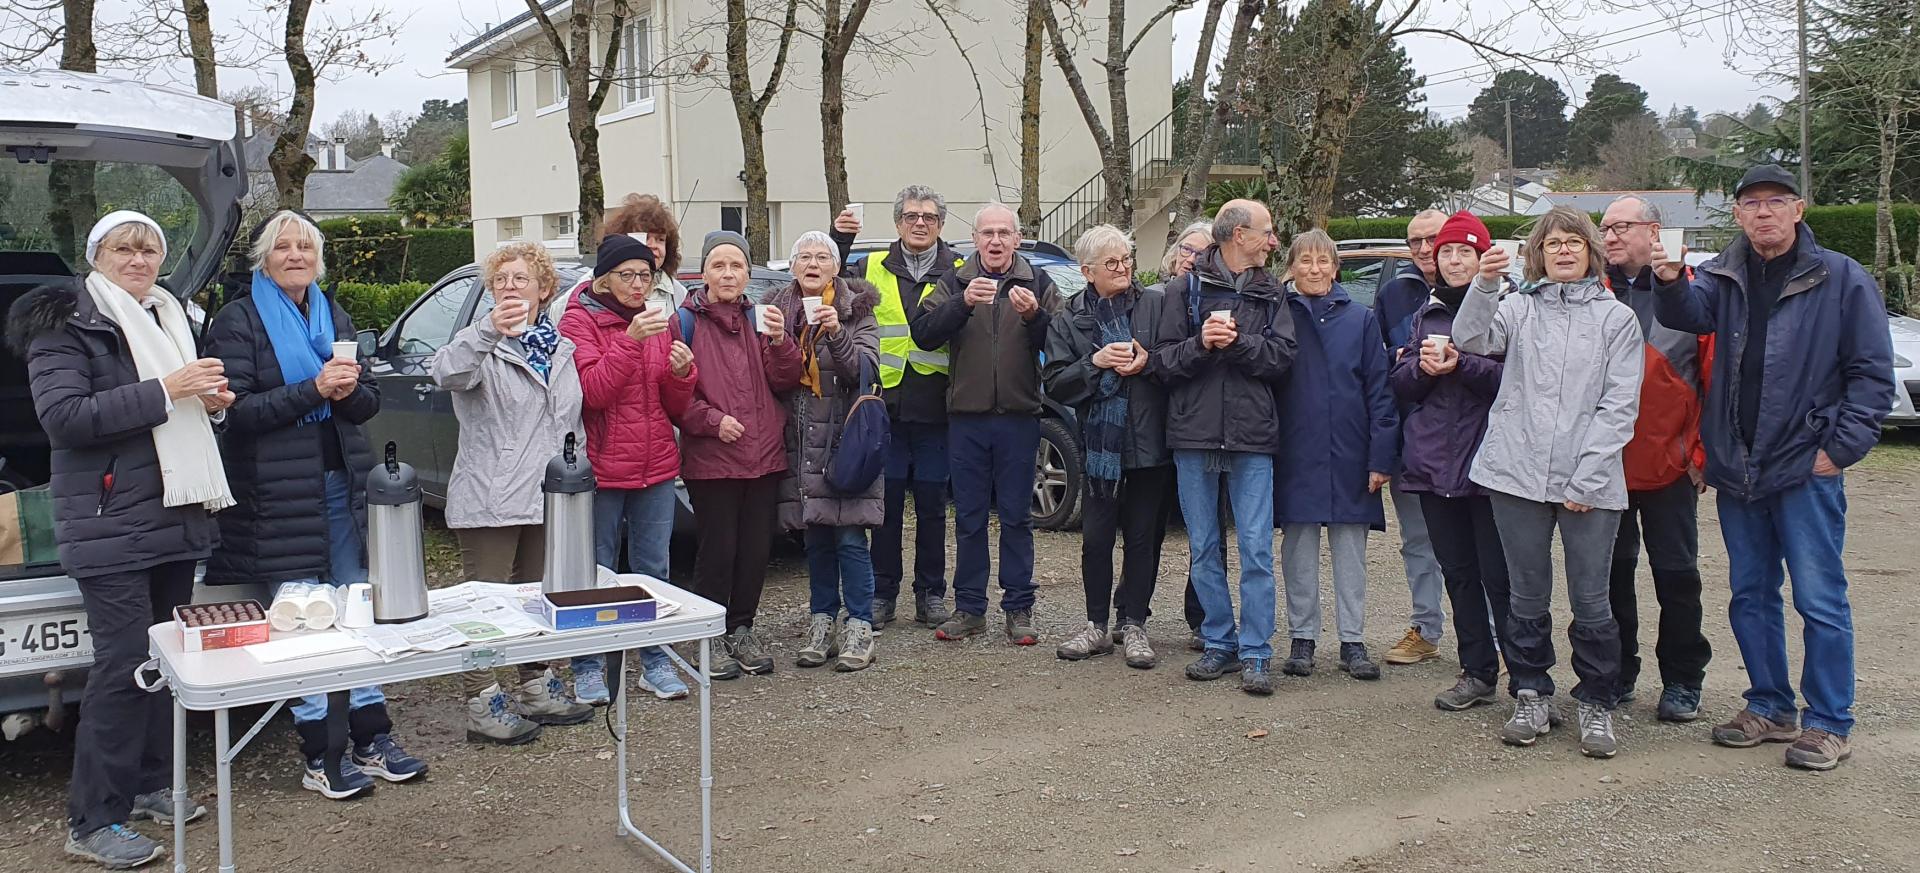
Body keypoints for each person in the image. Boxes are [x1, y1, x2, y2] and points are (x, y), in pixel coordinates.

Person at [1652, 164, 1896, 771]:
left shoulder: (1841, 278)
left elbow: (1872, 373)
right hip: (1738, 467)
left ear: (1799, 209)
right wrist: (1667, 280)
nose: (1764, 212)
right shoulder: (1721, 276)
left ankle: (1829, 721)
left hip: (1803, 466)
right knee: (1751, 594)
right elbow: (1689, 315)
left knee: (1819, 598)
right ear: (1737, 215)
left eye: (1776, 201)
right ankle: (1769, 706)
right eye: (1752, 203)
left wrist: (1840, 450)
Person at [10, 212, 227, 868]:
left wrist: (209, 401)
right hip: (108, 519)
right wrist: (168, 389)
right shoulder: (66, 323)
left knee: (164, 657)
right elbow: (66, 418)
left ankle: (149, 785)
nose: (138, 259)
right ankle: (93, 817)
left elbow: (175, 407)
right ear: (95, 255)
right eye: (123, 248)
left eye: (149, 248)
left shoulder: (168, 317)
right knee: (123, 663)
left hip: (173, 511)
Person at [204, 210, 426, 796]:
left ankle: (371, 734)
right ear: (264, 258)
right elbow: (237, 413)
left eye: (306, 246)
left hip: (339, 486)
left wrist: (350, 393)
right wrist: (315, 389)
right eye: (283, 247)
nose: (296, 255)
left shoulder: (333, 313)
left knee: (355, 609)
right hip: (274, 496)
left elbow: (368, 403)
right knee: (301, 619)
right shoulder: (238, 320)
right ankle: (319, 753)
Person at [1453, 205, 1643, 759]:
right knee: (1526, 594)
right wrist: (1486, 283)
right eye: (1553, 242)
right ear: (1538, 253)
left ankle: (1597, 702)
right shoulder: (1518, 307)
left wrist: (1586, 478)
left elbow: (1619, 404)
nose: (1563, 250)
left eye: (1574, 242)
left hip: (1592, 483)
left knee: (1592, 597)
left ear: (1591, 253)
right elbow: (1471, 339)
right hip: (1516, 473)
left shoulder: (1616, 320)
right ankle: (1531, 692)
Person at [430, 242, 597, 745]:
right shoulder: (479, 344)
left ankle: (534, 685)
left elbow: (569, 421)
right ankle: (483, 702)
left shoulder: (560, 349)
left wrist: (574, 477)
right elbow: (444, 373)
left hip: (546, 497)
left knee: (536, 599)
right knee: (485, 608)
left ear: (545, 290)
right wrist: (486, 331)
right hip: (492, 497)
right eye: (500, 279)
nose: (508, 287)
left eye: (521, 279)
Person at [1151, 199, 1296, 695]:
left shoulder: (1272, 292)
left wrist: (1234, 344)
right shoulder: (1182, 289)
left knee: (1256, 549)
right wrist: (1201, 344)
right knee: (1204, 547)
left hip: (1252, 436)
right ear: (1238, 235)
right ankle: (1219, 641)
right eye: (1267, 232)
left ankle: (1256, 652)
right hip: (1193, 435)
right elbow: (1162, 363)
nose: (1273, 241)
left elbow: (1282, 360)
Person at [910, 203, 1060, 645]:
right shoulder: (954, 280)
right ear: (974, 240)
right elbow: (923, 332)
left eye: (1004, 233)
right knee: (971, 518)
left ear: (1017, 238)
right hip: (967, 419)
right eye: (987, 233)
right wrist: (961, 303)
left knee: (1017, 517)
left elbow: (1063, 339)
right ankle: (970, 608)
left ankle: (1019, 608)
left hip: (1020, 417)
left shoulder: (1039, 281)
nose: (995, 241)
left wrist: (1035, 316)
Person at [558, 234, 696, 703]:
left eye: (646, 275)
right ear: (604, 279)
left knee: (653, 568)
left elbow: (672, 404)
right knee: (594, 569)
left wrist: (683, 374)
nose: (639, 285)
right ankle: (589, 666)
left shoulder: (660, 321)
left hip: (655, 462)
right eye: (628, 275)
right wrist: (630, 344)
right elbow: (593, 393)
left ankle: (655, 660)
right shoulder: (579, 320)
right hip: (600, 465)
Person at [1597, 194, 1714, 722]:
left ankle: (1683, 679)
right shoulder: (1589, 293)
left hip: (1669, 463)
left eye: (1623, 226)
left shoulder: (1690, 295)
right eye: (1605, 228)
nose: (1612, 236)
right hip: (1606, 463)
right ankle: (1619, 670)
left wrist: (1701, 453)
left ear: (1654, 231)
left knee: (1676, 575)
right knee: (1611, 574)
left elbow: (1713, 379)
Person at [1390, 210, 1512, 712]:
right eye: (1446, 251)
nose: (1454, 259)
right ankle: (1476, 671)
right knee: (1458, 572)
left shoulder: (1511, 308)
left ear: (1484, 257)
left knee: (1501, 576)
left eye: (1465, 250)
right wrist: (1419, 368)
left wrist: (1463, 365)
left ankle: (1525, 674)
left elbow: (1515, 381)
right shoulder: (1428, 313)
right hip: (1434, 463)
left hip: (1489, 464)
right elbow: (1400, 388)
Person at [1043, 225, 1174, 668]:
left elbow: (1179, 360)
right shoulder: (1069, 317)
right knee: (1096, 540)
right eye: (1112, 264)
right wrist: (1093, 363)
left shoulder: (1154, 304)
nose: (1123, 269)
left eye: (1127, 261)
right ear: (1087, 271)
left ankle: (1133, 623)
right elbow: (1056, 384)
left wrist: (1148, 362)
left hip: (1150, 440)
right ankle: (1095, 624)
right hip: (1100, 449)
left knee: (1142, 539)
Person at [828, 186, 959, 631]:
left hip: (937, 408)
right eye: (910, 216)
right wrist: (839, 238)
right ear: (897, 222)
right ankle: (884, 593)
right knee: (882, 509)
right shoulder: (871, 266)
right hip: (881, 410)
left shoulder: (958, 269)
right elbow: (827, 279)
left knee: (932, 507)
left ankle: (931, 594)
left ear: (941, 224)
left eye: (928, 216)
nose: (919, 223)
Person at [673, 231, 802, 677]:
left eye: (737, 266)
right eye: (719, 266)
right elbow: (674, 395)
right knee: (717, 549)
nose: (728, 274)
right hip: (714, 458)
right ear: (704, 272)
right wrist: (712, 422)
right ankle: (708, 635)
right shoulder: (684, 322)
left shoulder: (762, 317)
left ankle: (741, 628)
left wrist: (783, 342)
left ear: (748, 273)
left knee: (754, 551)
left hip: (764, 454)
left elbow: (785, 380)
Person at [1273, 230, 1396, 681]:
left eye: (1323, 261)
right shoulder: (1278, 314)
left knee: (1351, 552)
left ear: (1335, 267)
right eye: (1305, 261)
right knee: (1298, 550)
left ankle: (1353, 640)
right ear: (1292, 266)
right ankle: (1302, 637)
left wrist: (1381, 458)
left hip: (1350, 451)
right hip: (1297, 451)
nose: (1315, 269)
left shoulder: (1361, 319)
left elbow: (1380, 392)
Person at [767, 231, 883, 671]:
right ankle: (821, 620)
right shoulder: (777, 311)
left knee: (851, 536)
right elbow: (772, 377)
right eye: (804, 257)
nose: (813, 263)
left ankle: (859, 625)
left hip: (843, 440)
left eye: (822, 257)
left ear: (836, 267)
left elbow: (863, 372)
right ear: (793, 266)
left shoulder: (858, 312)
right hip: (799, 442)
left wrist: (836, 332)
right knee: (814, 535)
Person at [1375, 208, 1451, 667]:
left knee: (1481, 541)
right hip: (1412, 437)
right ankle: (1426, 628)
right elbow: (1377, 360)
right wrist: (1397, 355)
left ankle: (1493, 637)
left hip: (1469, 439)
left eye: (1433, 239)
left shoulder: (1480, 291)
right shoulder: (1393, 294)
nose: (1425, 249)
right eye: (1416, 241)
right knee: (1418, 539)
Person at [1154, 220, 1220, 654]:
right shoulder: (1154, 298)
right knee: (1148, 528)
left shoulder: (1218, 301)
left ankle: (1204, 617)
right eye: (1187, 249)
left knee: (1206, 531)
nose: (1192, 258)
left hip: (1196, 426)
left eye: (1203, 251)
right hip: (1152, 426)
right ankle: (1130, 613)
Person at [596, 192, 691, 310]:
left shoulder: (677, 292)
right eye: (645, 238)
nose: (653, 246)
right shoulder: (595, 281)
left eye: (660, 239)